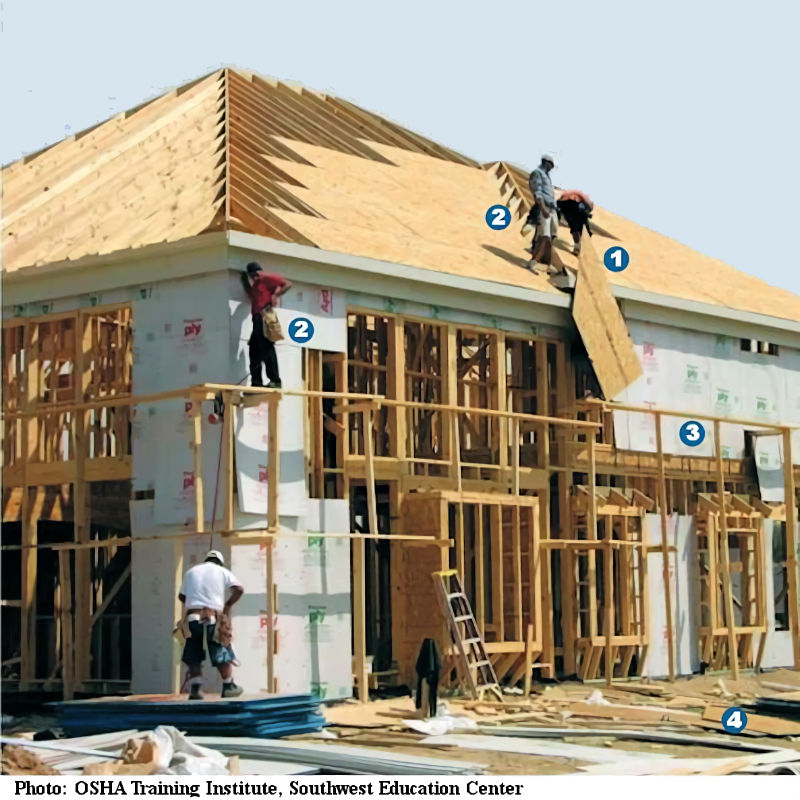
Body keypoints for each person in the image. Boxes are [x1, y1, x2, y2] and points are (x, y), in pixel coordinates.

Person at [178, 550, 244, 700]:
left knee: (193, 653)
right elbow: (239, 589)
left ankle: (196, 689)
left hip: (193, 618)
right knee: (220, 651)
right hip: (212, 617)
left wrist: (194, 603)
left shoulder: (191, 572)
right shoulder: (222, 571)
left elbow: (181, 596)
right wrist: (228, 605)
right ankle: (228, 686)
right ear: (219, 562)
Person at [241, 262, 292, 388]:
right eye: (252, 276)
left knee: (267, 349)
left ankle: (275, 380)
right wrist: (244, 282)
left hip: (264, 317)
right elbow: (251, 294)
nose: (255, 277)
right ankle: (256, 382)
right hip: (256, 320)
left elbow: (287, 284)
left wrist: (275, 295)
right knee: (254, 350)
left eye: (255, 275)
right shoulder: (256, 285)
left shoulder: (266, 279)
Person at [524, 154, 559, 273]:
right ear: (545, 162)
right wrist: (543, 209)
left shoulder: (547, 177)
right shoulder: (537, 173)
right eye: (550, 164)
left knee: (551, 236)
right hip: (545, 208)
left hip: (552, 209)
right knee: (545, 236)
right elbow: (537, 193)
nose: (551, 167)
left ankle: (542, 261)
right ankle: (533, 262)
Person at [557, 189, 593, 256]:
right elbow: (584, 198)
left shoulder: (568, 192)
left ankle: (578, 246)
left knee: (574, 228)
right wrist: (590, 208)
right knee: (581, 228)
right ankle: (581, 247)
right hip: (573, 207)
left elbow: (560, 200)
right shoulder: (578, 191)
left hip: (566, 207)